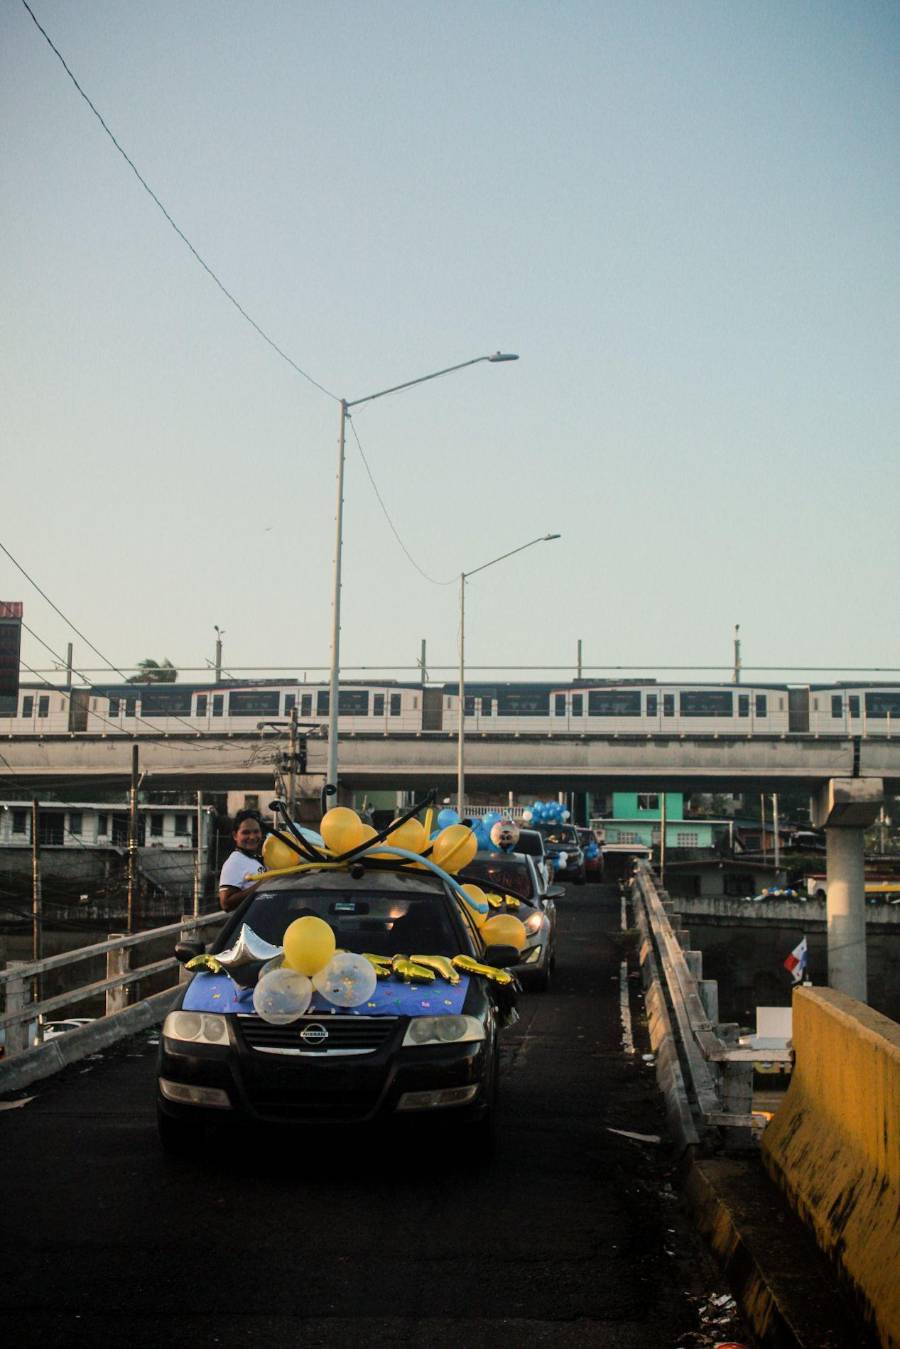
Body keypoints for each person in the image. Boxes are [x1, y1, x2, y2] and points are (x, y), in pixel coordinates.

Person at [218, 810, 265, 912]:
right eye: (246, 832)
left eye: (256, 832)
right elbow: (226, 903)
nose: (252, 837)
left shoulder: (255, 859)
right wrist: (264, 884)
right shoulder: (235, 862)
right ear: (235, 835)